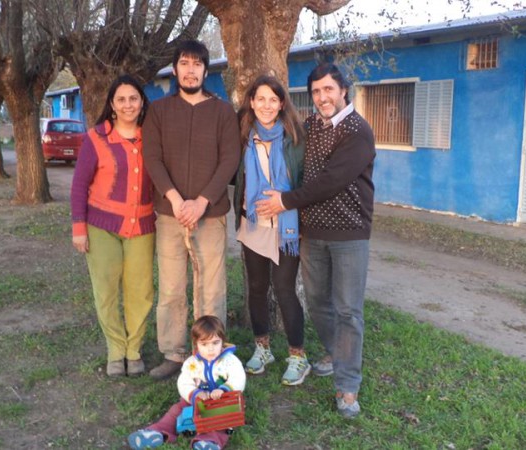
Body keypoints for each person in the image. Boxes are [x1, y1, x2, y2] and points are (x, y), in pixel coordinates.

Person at [256, 63, 376, 418]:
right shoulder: (310, 127)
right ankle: (335, 353)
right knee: (319, 302)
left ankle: (348, 386)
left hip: (349, 234)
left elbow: (331, 181)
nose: (323, 97)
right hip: (313, 233)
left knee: (348, 310)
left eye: (328, 90)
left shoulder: (357, 131)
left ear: (343, 90)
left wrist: (285, 201)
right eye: (316, 92)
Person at [142, 39, 241, 380]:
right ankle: (173, 353)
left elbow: (229, 159)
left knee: (211, 289)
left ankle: (209, 354)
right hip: (170, 215)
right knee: (171, 288)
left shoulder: (222, 112)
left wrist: (201, 201)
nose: (190, 70)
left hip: (210, 215)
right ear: (175, 69)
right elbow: (152, 158)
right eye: (184, 63)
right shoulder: (159, 111)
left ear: (205, 70)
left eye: (197, 64)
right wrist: (175, 199)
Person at [70, 74, 154, 377]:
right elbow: (79, 185)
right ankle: (116, 350)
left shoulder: (153, 137)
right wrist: (79, 228)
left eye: (133, 98)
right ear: (112, 104)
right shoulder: (96, 138)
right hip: (101, 227)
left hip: (142, 227)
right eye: (121, 99)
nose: (128, 105)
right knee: (106, 290)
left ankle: (134, 350)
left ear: (142, 102)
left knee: (140, 291)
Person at [232, 75, 309, 386]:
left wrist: (301, 219)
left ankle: (298, 356)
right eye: (260, 99)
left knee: (284, 289)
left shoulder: (296, 138)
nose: (266, 105)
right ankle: (262, 348)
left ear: (281, 104)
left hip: (287, 227)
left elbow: (306, 182)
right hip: (253, 224)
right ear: (251, 102)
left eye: (273, 100)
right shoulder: (242, 137)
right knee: (256, 287)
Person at [127, 315, 246, 450]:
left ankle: (208, 442)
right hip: (196, 399)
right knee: (176, 411)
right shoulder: (192, 363)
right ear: (196, 344)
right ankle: (157, 432)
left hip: (222, 401)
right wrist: (194, 393)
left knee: (219, 421)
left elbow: (238, 377)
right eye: (204, 344)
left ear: (222, 341)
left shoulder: (230, 361)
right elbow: (184, 381)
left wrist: (224, 389)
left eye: (215, 343)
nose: (210, 349)